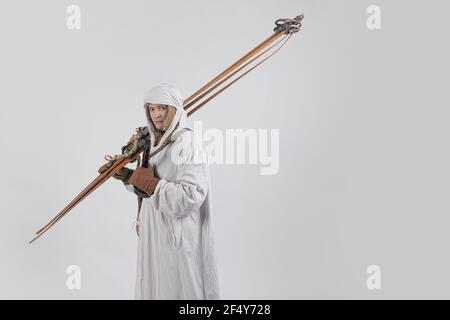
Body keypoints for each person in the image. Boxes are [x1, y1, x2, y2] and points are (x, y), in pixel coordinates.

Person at [99, 83, 220, 300]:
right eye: (152, 109)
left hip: (178, 235)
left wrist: (151, 184)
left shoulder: (187, 142)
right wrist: (128, 177)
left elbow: (191, 195)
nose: (156, 114)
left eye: (162, 108)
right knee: (157, 290)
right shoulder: (154, 142)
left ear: (173, 110)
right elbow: (149, 185)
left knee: (182, 291)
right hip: (155, 231)